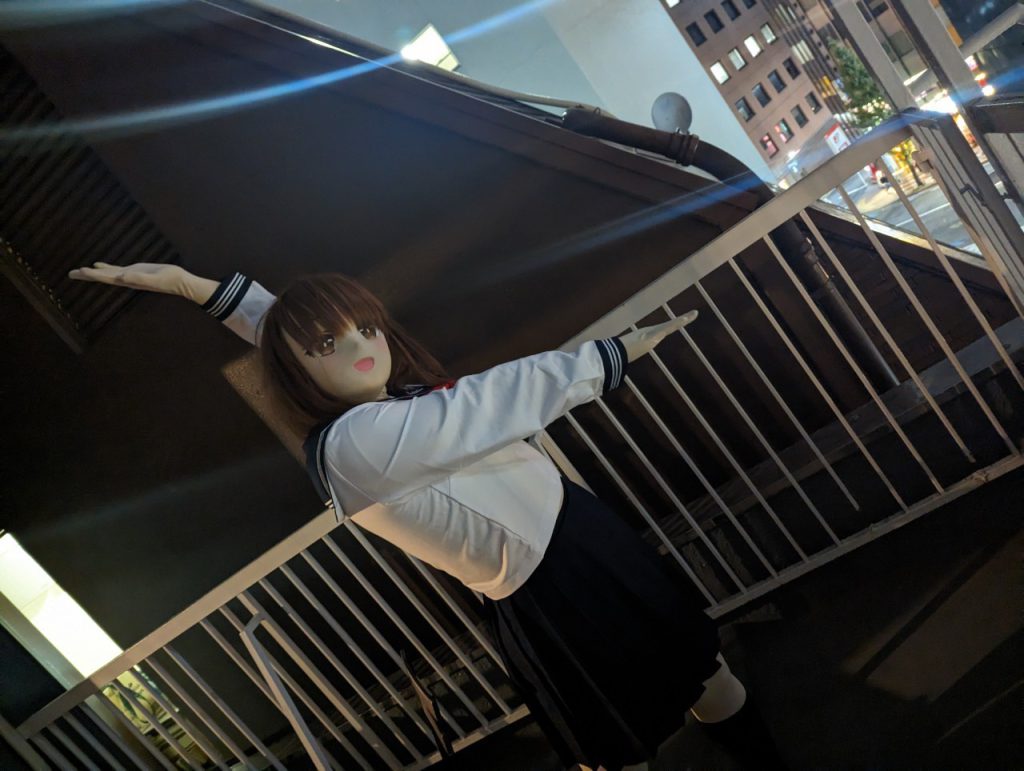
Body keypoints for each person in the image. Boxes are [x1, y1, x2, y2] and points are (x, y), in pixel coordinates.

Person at [69, 261, 785, 771]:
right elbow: (482, 404)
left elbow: (292, 333)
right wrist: (606, 358)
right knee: (620, 743)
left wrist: (199, 289)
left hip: (579, 535)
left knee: (703, 669)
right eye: (330, 345)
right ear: (297, 367)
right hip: (552, 583)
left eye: (365, 328)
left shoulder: (376, 410)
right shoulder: (353, 445)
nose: (360, 348)